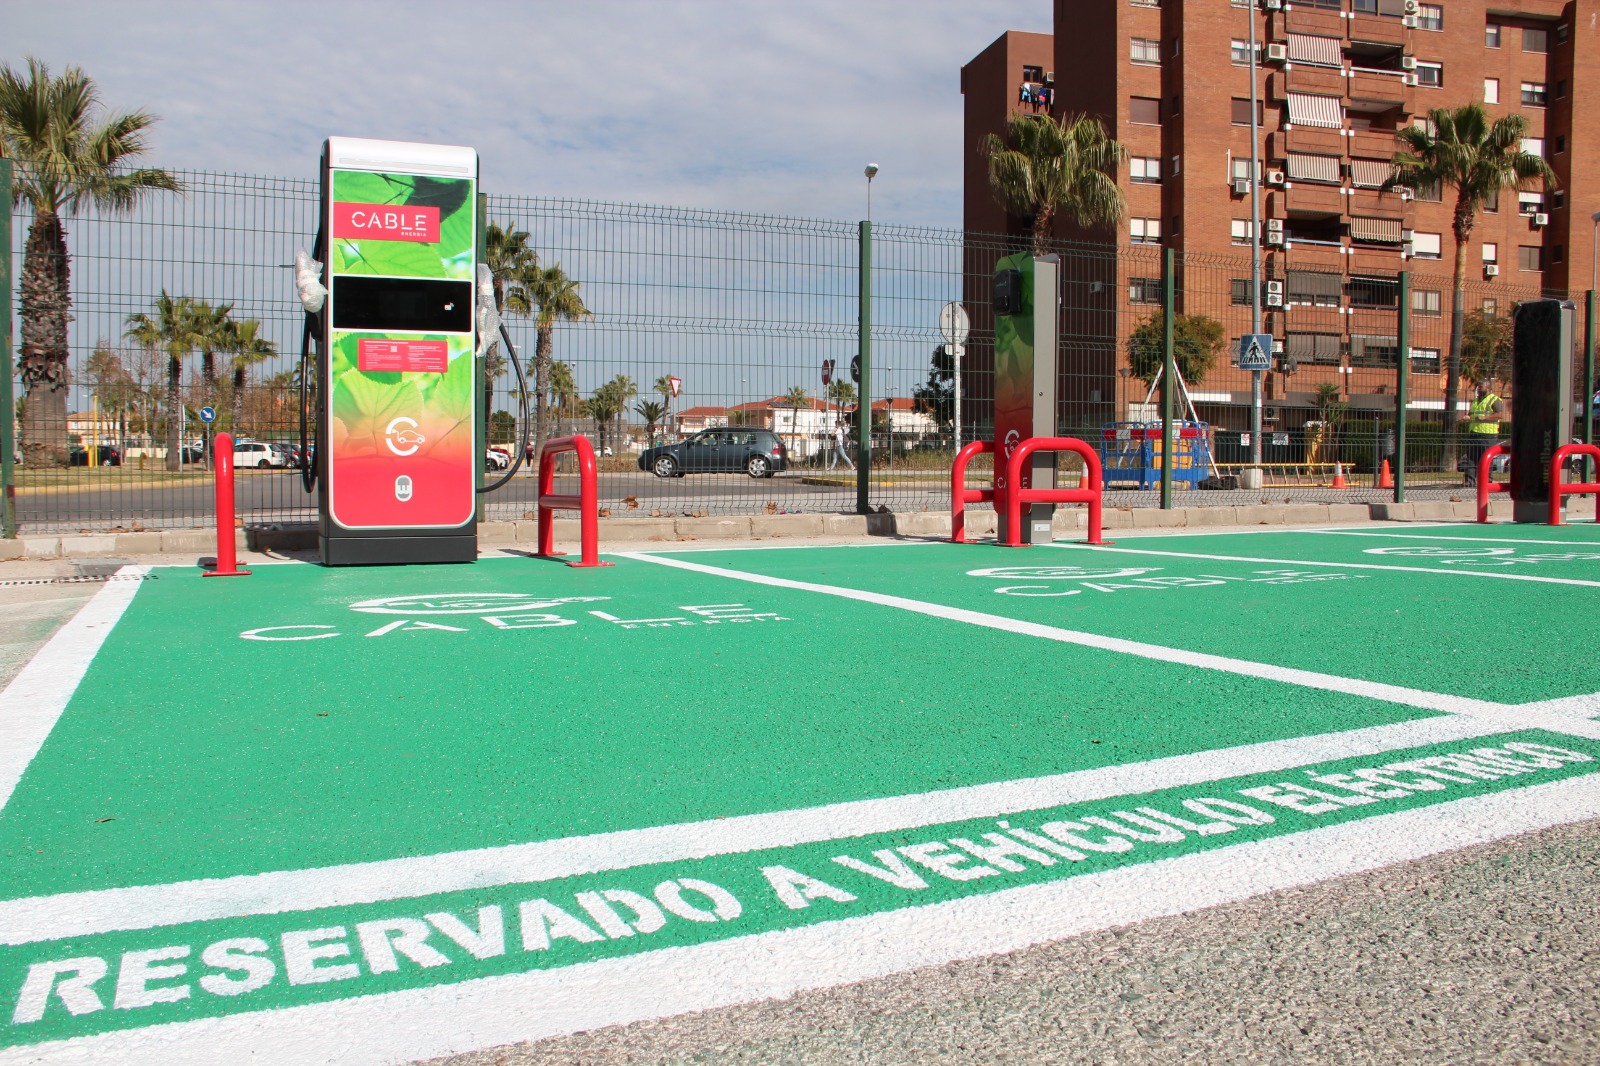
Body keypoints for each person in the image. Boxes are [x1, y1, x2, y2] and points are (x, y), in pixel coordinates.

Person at [1463, 381, 1505, 486]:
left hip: (1488, 435)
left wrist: (1485, 417)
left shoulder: (1495, 400)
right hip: (1474, 433)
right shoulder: (1475, 401)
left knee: (1486, 458)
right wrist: (1467, 417)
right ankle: (1469, 481)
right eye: (1478, 387)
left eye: (1481, 387)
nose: (1479, 389)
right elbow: (1471, 414)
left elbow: (1499, 415)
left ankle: (1486, 482)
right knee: (1470, 459)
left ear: (1488, 388)